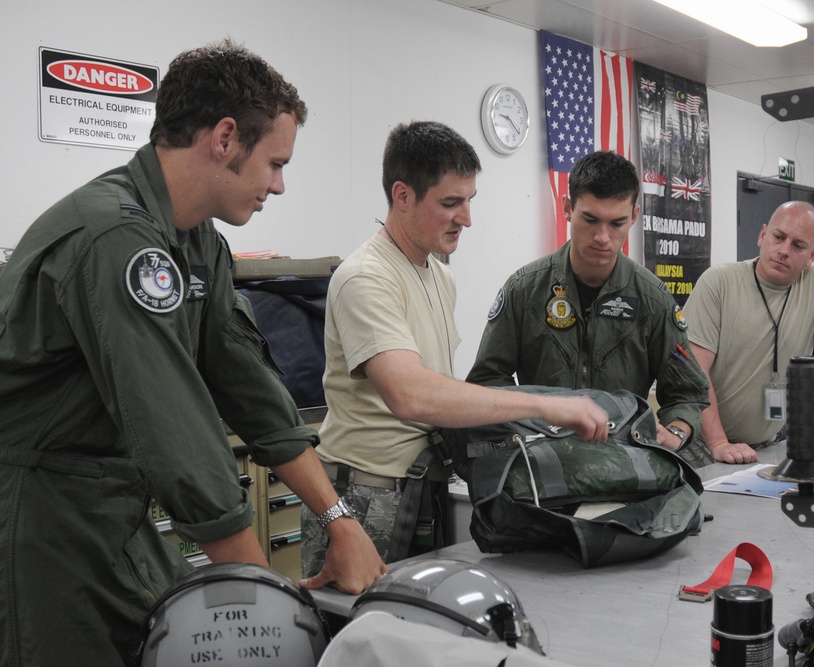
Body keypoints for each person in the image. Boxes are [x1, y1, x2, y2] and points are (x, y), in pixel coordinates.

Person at [0, 40, 386, 667]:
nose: (280, 186)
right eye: (276, 163)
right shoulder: (118, 238)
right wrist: (271, 615)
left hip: (110, 513)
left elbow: (251, 390)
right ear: (225, 138)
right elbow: (174, 432)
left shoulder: (195, 240)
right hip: (38, 518)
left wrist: (339, 519)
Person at [301, 121, 610, 571]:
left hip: (424, 488)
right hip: (366, 499)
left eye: (469, 201)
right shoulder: (366, 277)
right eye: (450, 203)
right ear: (403, 195)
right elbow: (410, 395)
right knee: (361, 635)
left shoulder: (438, 275)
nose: (466, 218)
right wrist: (543, 407)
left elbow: (440, 388)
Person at [466, 150, 710, 467]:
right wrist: (531, 417)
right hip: (544, 465)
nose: (602, 237)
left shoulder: (653, 300)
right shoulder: (524, 290)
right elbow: (487, 382)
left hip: (624, 466)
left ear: (634, 216)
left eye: (617, 223)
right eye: (590, 220)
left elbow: (688, 391)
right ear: (568, 209)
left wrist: (677, 431)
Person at [683, 200, 814, 465]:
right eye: (778, 237)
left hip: (769, 442)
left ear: (812, 256)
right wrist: (720, 443)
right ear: (762, 235)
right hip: (703, 441)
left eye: (798, 246)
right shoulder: (718, 283)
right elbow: (696, 374)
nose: (783, 251)